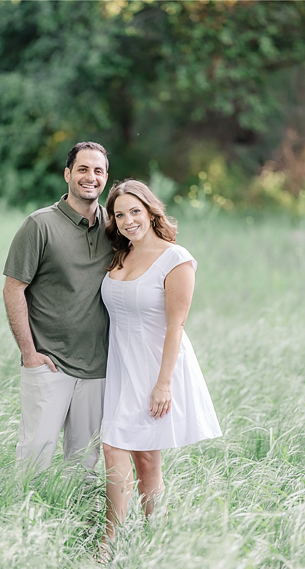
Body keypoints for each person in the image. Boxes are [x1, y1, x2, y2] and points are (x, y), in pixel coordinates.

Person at [100, 179, 222, 548]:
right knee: (134, 454)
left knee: (133, 454)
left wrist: (163, 384)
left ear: (151, 212)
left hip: (155, 367)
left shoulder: (175, 259)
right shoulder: (120, 255)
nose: (128, 221)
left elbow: (176, 325)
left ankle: (121, 543)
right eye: (120, 215)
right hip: (121, 366)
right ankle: (139, 540)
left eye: (135, 211)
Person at [3, 142, 114, 472]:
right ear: (67, 174)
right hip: (48, 362)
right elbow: (13, 289)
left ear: (106, 177)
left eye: (98, 170)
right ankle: (25, 509)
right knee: (34, 458)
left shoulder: (115, 227)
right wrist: (29, 353)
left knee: (85, 465)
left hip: (98, 367)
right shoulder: (39, 225)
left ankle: (79, 510)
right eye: (83, 169)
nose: (90, 177)